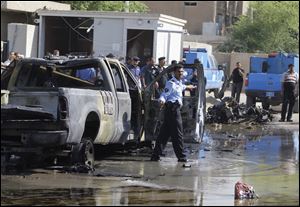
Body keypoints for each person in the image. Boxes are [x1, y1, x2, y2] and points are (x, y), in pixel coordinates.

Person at [150, 64, 197, 162]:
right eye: (178, 72)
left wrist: (190, 86)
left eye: (181, 72)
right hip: (173, 110)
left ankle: (155, 155)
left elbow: (183, 87)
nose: (180, 74)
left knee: (164, 134)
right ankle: (182, 157)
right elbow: (164, 94)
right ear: (174, 73)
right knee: (177, 134)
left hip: (171, 111)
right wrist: (161, 100)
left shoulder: (179, 83)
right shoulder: (171, 83)